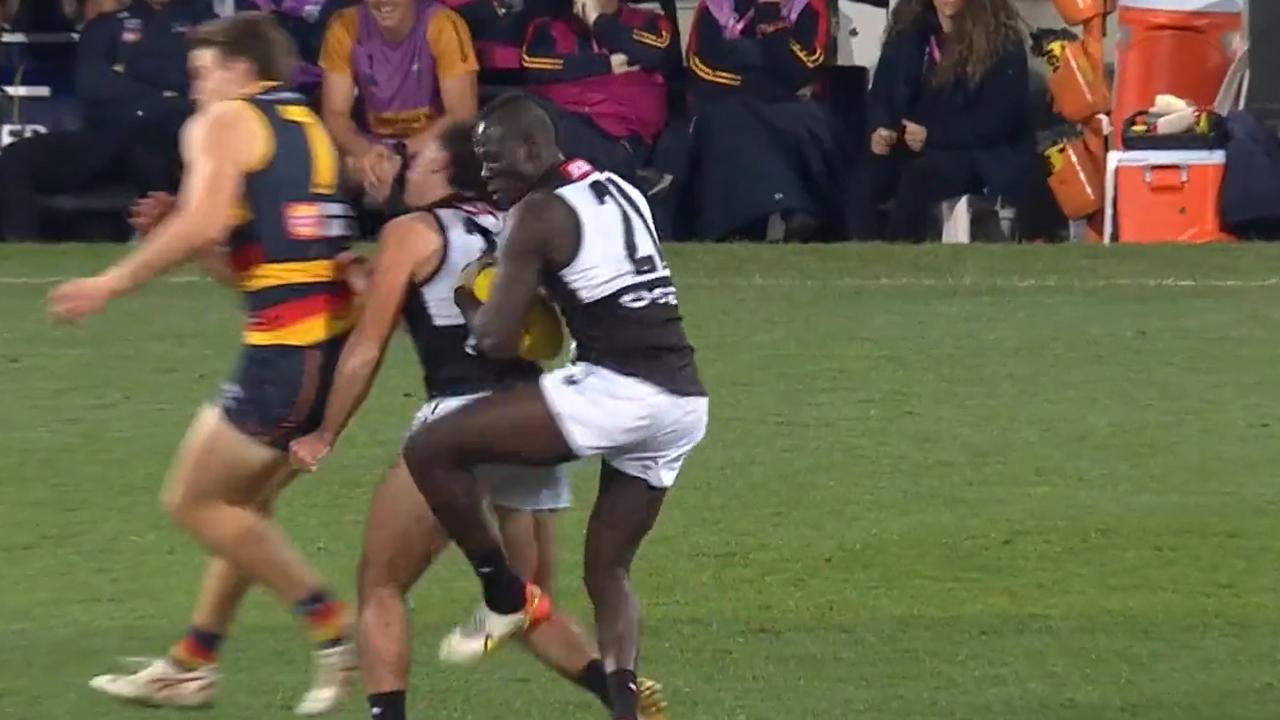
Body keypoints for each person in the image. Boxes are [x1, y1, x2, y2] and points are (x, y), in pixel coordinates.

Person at [286, 119, 668, 720]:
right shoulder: (514, 222)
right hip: (532, 422)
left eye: (416, 162)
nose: (404, 171)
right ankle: (616, 696)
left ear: (445, 171)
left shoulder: (411, 231)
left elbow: (367, 345)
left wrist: (325, 431)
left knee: (381, 586)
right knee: (526, 601)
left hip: (460, 424)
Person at [47, 13, 358, 714]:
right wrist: (187, 238)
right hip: (324, 347)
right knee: (242, 514)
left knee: (194, 502)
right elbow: (260, 263)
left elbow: (205, 220)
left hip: (284, 353)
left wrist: (110, 281)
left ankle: (331, 628)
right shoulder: (305, 127)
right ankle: (193, 663)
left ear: (242, 71)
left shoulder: (224, 122)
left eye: (201, 72)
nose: (194, 88)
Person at [400, 93, 709, 720]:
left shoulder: (534, 214)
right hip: (683, 400)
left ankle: (502, 592)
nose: (487, 176)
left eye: (495, 161)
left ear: (535, 149)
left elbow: (493, 338)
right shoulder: (618, 186)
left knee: (430, 448)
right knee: (608, 569)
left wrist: (469, 297)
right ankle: (625, 707)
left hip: (618, 389)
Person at [845, 0, 1056, 242]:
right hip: (911, 143)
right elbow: (882, 95)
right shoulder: (910, 35)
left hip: (971, 150)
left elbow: (997, 121)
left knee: (919, 179)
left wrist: (932, 135)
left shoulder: (1001, 42)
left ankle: (899, 256)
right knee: (865, 180)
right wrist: (880, 129)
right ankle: (865, 253)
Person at [682, 0, 840, 242]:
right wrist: (762, 76)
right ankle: (784, 209)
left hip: (792, 109)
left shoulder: (808, 6)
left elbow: (802, 69)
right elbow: (701, 69)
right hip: (728, 104)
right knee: (730, 119)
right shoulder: (713, 7)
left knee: (776, 121)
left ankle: (778, 212)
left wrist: (772, 26)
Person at [318, 0, 479, 205]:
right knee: (340, 166)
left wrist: (399, 152)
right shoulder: (343, 26)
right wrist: (369, 154)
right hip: (374, 147)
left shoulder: (443, 25)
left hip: (430, 146)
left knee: (436, 173)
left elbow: (462, 113)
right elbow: (334, 114)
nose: (383, 2)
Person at [520, 0, 675, 193]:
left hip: (616, 135)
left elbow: (652, 53)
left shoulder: (649, 22)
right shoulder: (549, 26)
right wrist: (604, 65)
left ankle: (626, 177)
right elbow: (534, 66)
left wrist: (598, 21)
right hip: (558, 122)